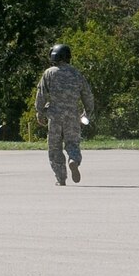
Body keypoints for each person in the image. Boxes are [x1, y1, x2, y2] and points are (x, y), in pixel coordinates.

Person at [35, 44, 94, 186]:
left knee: (55, 147)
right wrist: (87, 113)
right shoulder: (76, 74)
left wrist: (40, 111)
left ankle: (60, 178)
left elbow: (41, 94)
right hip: (72, 116)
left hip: (54, 116)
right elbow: (87, 95)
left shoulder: (49, 73)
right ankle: (73, 160)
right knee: (72, 143)